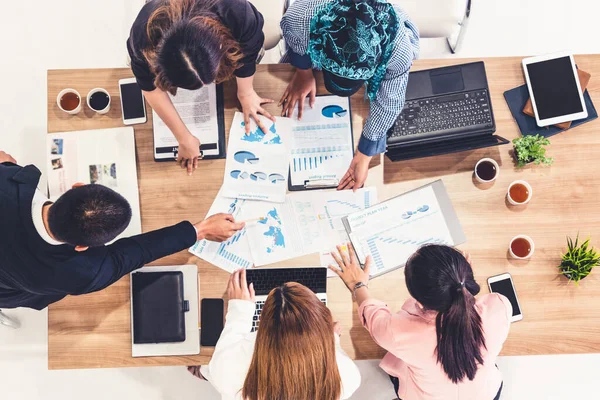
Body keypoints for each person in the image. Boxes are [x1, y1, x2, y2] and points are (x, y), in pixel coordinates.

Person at [0, 150, 244, 311]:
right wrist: (201, 230)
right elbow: (134, 254)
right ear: (81, 247)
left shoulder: (10, 181)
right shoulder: (80, 273)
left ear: (76, 186)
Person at [329, 243, 512, 400]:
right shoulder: (500, 307)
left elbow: (373, 316)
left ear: (418, 300)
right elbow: (468, 309)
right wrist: (461, 284)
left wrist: (358, 284)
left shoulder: (399, 332)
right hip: (486, 395)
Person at [279, 0, 419, 190]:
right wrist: (304, 73)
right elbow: (295, 38)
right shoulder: (302, 17)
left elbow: (390, 101)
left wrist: (365, 154)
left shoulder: (398, 49)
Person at [127, 0, 274, 175]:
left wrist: (246, 92)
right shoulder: (143, 35)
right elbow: (149, 86)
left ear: (221, 43)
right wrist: (183, 138)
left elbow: (248, 52)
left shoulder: (237, 12)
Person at [190, 269, 361, 400]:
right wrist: (333, 339)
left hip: (234, 385)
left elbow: (229, 341)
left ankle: (201, 372)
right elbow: (334, 355)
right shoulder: (347, 377)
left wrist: (239, 308)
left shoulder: (227, 366)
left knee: (205, 367)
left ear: (262, 326)